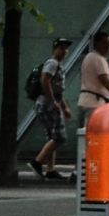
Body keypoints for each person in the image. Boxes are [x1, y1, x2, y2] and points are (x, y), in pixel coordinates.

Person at [29, 37, 73, 180]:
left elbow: (57, 90)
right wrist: (53, 102)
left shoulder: (58, 65)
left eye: (66, 48)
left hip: (48, 103)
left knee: (52, 137)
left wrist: (64, 106)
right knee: (59, 137)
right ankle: (37, 162)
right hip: (47, 104)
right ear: (54, 49)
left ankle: (50, 170)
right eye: (61, 48)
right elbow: (45, 81)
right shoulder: (52, 63)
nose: (64, 51)